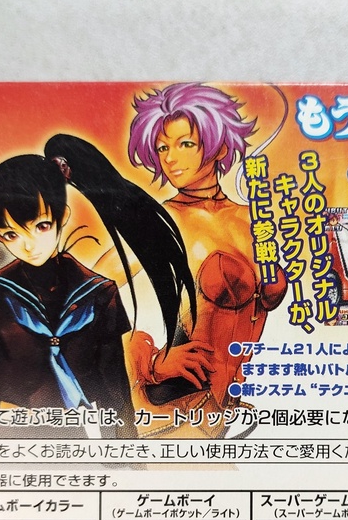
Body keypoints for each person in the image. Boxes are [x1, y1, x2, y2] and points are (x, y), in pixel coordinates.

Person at [0, 135, 193, 438]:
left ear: (62, 217)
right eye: (10, 235)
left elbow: (114, 388)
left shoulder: (98, 293)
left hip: (73, 436)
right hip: (9, 433)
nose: (29, 245)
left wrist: (125, 454)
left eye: (41, 226)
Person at [119, 83, 287, 426]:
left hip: (221, 411)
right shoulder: (160, 221)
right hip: (173, 406)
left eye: (185, 144)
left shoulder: (251, 219)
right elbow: (85, 293)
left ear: (219, 145)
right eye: (162, 147)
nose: (170, 158)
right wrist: (149, 363)